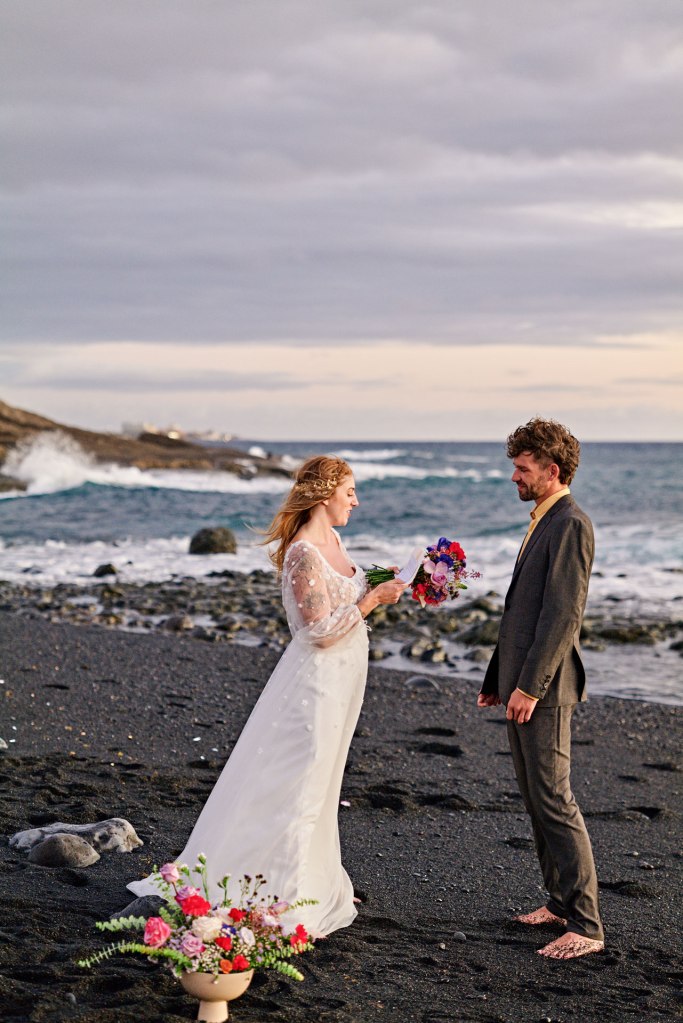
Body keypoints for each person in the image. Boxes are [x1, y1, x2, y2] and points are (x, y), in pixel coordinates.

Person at [126, 455, 406, 936]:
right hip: (316, 681)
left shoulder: (334, 541)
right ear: (324, 495)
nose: (356, 501)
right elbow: (316, 630)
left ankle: (318, 875)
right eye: (350, 492)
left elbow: (345, 598)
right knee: (300, 775)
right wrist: (370, 601)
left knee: (325, 777)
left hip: (345, 678)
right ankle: (286, 889)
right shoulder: (302, 552)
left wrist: (381, 582)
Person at [478, 418, 604, 960]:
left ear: (552, 472)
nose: (514, 477)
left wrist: (529, 685)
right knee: (535, 799)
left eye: (523, 468)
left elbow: (561, 615)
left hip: (546, 690)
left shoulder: (570, 523)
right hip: (522, 685)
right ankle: (557, 902)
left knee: (555, 800)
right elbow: (520, 613)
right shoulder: (544, 520)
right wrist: (497, 681)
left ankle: (587, 925)